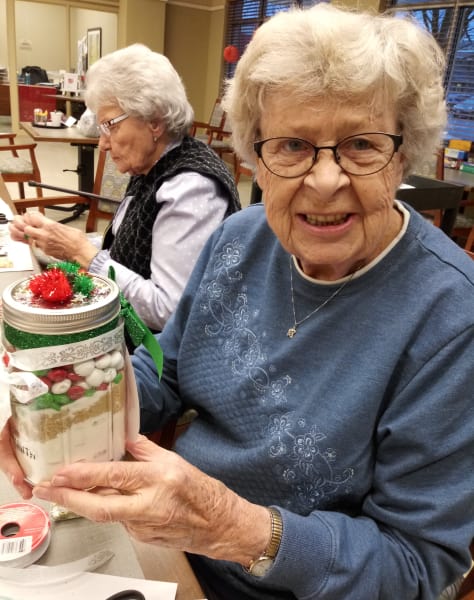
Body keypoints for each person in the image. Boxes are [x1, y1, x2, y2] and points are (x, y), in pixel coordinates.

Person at [2, 5, 473, 599]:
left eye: (361, 144)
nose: (325, 180)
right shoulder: (238, 240)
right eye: (293, 145)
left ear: (404, 154)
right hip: (162, 536)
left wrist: (235, 527)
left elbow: (416, 566)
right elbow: (164, 370)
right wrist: (62, 404)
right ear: (257, 157)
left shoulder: (452, 318)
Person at [9, 44, 240, 332]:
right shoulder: (153, 164)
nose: (102, 143)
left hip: (156, 362)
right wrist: (56, 239)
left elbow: (168, 311)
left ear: (154, 122)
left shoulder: (191, 187)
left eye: (110, 125)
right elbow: (129, 249)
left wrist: (83, 253)